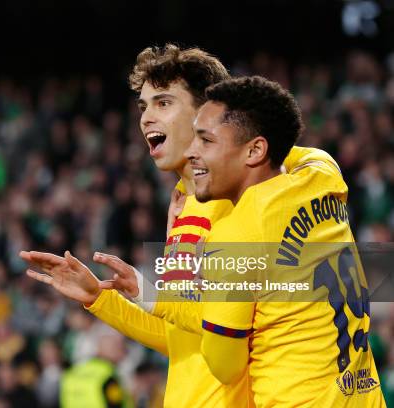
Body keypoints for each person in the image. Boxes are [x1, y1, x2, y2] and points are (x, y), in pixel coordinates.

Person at [71, 76, 386, 406]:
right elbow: (286, 149)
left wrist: (152, 292)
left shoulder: (234, 232)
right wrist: (114, 296)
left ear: (255, 149)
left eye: (205, 139)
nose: (193, 151)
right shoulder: (321, 171)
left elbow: (223, 364)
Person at [23, 44, 254, 407]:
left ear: (207, 114)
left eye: (163, 103)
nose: (146, 118)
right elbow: (181, 337)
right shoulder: (184, 208)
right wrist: (100, 299)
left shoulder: (237, 203)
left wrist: (152, 294)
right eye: (144, 106)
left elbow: (232, 346)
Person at [60, 327, 133, 408]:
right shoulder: (108, 376)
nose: (124, 354)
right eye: (121, 348)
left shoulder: (72, 372)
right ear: (111, 349)